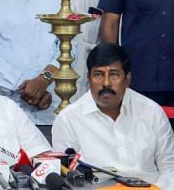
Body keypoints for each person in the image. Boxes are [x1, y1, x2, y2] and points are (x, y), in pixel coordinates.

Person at [52, 43, 174, 187]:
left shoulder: (152, 112)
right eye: (98, 74)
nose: (106, 83)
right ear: (88, 79)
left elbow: (170, 169)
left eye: (114, 74)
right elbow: (67, 177)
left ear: (127, 79)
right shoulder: (68, 119)